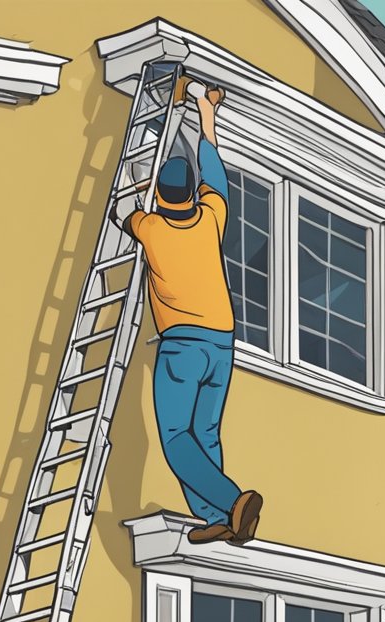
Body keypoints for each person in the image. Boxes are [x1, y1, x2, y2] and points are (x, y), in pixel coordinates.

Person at [111, 83, 262, 545]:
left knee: (177, 439)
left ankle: (234, 499)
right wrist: (204, 112)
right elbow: (213, 165)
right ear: (192, 196)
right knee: (206, 433)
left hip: (182, 346)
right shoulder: (212, 215)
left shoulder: (151, 228)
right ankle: (217, 517)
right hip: (221, 341)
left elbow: (121, 209)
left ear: (161, 198)